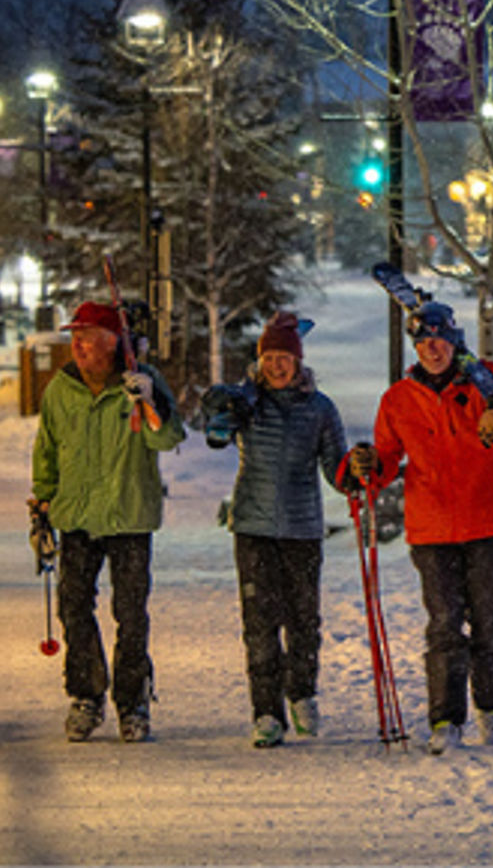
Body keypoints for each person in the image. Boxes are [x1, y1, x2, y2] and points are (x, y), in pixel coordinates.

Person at [346, 300, 493, 755]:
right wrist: (367, 467)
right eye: (423, 342)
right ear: (415, 347)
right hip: (430, 526)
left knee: (490, 623)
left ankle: (490, 712)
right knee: (445, 625)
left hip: (483, 521)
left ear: (453, 341)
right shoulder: (398, 398)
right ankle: (444, 719)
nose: (432, 349)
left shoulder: (479, 380)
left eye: (439, 340)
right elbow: (387, 457)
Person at [30, 300, 184, 742]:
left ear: (112, 342)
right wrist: (42, 501)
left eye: (87, 337)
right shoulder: (62, 389)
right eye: (74, 338)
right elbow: (47, 448)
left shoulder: (142, 381)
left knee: (131, 613)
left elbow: (169, 437)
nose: (77, 346)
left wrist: (150, 402)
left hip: (128, 513)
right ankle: (86, 694)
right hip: (76, 515)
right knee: (74, 606)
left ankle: (133, 702)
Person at [201, 311, 348, 749]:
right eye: (269, 357)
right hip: (252, 524)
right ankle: (266, 711)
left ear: (299, 362)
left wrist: (356, 472)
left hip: (302, 527)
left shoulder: (320, 408)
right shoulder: (247, 402)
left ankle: (301, 692)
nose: (277, 366)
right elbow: (215, 428)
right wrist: (219, 407)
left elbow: (336, 468)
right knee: (260, 622)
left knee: (304, 620)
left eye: (285, 357)